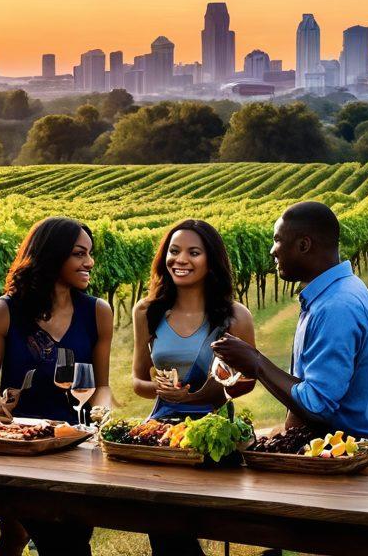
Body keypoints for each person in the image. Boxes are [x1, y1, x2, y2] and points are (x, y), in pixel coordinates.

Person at [0, 216, 114, 556]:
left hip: (76, 445)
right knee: (65, 544)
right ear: (53, 255)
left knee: (48, 534)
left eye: (90, 254)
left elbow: (102, 386)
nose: (89, 262)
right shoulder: (5, 311)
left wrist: (102, 410)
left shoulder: (98, 312)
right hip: (22, 448)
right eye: (80, 254)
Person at [212, 201, 368, 440]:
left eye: (277, 240)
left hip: (342, 454)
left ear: (304, 245)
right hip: (322, 445)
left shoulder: (336, 306)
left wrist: (255, 362)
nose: (272, 250)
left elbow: (317, 407)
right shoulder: (333, 293)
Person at [131, 219, 256, 556]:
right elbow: (137, 380)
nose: (180, 259)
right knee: (162, 525)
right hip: (162, 433)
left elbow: (249, 379)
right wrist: (159, 390)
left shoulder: (234, 316)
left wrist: (209, 392)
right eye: (174, 251)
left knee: (187, 523)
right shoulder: (147, 311)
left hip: (213, 433)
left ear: (210, 260)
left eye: (193, 252)